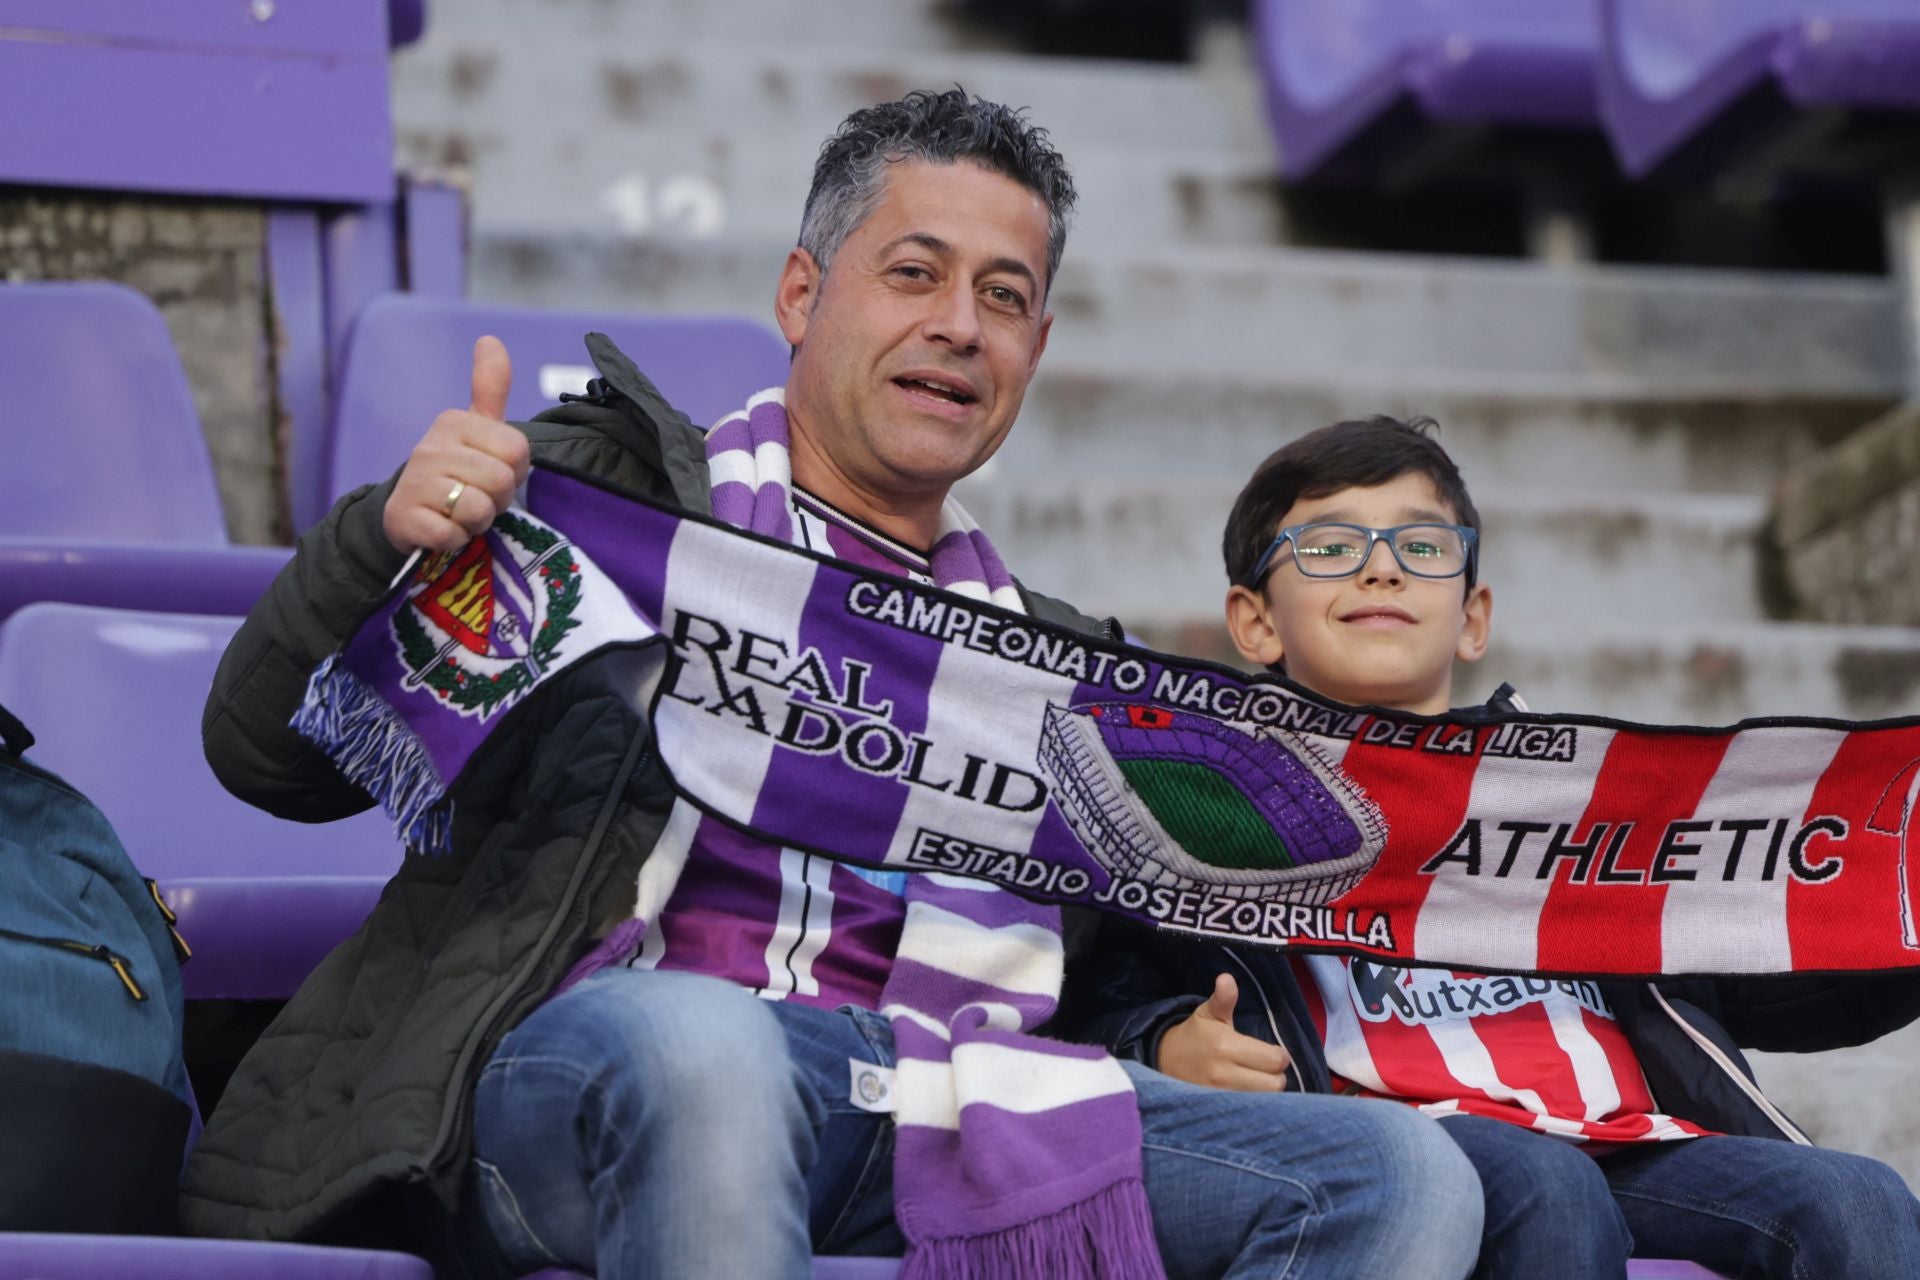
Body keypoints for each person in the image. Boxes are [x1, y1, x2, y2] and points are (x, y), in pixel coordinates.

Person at [183, 92, 1485, 1279]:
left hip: (943, 1106)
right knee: (706, 1049)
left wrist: (1155, 1050)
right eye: (913, 274)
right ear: (803, 293)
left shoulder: (1055, 665)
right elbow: (266, 758)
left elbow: (1095, 994)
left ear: (1036, 348)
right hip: (601, 1070)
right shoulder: (606, 510)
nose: (959, 328)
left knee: (1399, 1180)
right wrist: (388, 543)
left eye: (1005, 296)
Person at [1062, 413, 1920, 1278]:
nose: (1382, 565)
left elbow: (1747, 965)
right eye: (1328, 547)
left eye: (1424, 547)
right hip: (1409, 1144)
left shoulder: (1567, 800)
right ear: (1254, 623)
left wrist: (1903, 929)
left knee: (1859, 1196)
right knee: (1548, 1184)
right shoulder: (1209, 803)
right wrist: (1163, 1041)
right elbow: (1097, 990)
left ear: (1473, 618)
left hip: (1634, 1145)